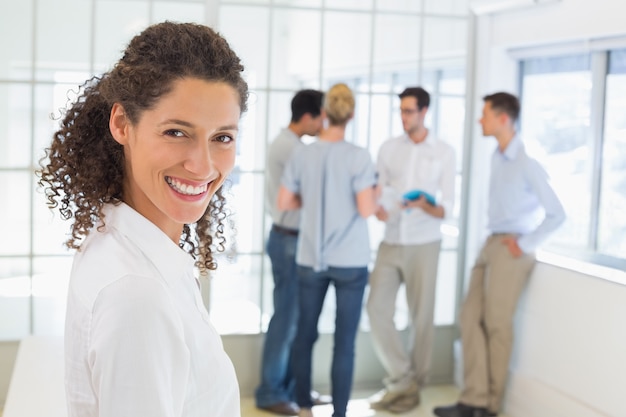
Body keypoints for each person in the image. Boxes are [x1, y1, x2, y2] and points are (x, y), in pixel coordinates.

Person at [37, 22, 248, 417]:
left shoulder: (132, 246)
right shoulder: (138, 294)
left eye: (222, 137)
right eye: (176, 132)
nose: (202, 166)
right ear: (121, 124)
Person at [434, 92, 565, 417]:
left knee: (496, 324)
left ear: (503, 118)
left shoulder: (527, 162)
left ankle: (490, 406)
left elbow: (557, 214)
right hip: (491, 242)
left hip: (512, 247)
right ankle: (473, 398)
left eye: (485, 114)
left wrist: (526, 243)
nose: (480, 120)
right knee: (469, 317)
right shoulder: (497, 155)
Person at [277, 83, 378, 417]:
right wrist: (375, 193)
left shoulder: (303, 154)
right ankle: (339, 413)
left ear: (324, 115)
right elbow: (366, 209)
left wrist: (316, 198)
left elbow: (284, 201)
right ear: (350, 115)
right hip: (350, 260)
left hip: (311, 257)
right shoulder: (359, 156)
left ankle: (304, 407)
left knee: (305, 334)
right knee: (344, 343)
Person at [366, 86, 456, 413]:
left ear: (424, 112)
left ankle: (414, 388)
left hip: (425, 242)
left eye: (410, 111)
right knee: (376, 309)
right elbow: (379, 190)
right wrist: (380, 205)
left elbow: (447, 207)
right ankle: (402, 379)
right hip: (391, 239)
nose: (404, 117)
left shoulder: (444, 152)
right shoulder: (389, 149)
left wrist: (424, 204)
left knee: (421, 317)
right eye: (401, 111)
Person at [256, 89, 325, 416]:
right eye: (322, 117)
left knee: (293, 319)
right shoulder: (292, 148)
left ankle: (289, 389)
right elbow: (310, 194)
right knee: (286, 319)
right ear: (310, 117)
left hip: (290, 238)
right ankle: (271, 392)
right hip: (288, 240)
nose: (324, 123)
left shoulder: (290, 144)